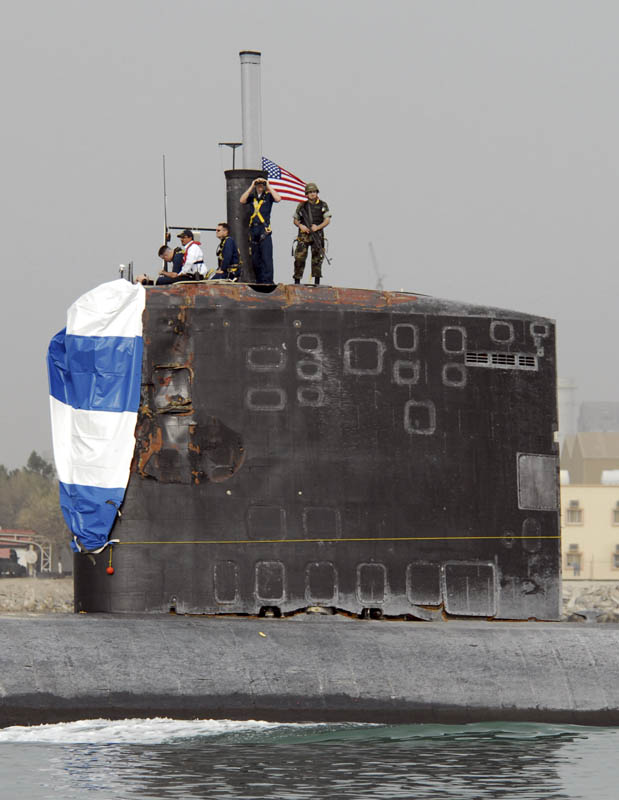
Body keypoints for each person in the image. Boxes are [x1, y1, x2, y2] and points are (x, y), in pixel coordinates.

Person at [239, 177, 281, 283]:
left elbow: (278, 199)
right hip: (254, 228)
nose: (260, 186)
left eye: (261, 185)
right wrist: (252, 185)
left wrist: (268, 185)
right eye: (259, 185)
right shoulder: (252, 197)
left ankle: (268, 280)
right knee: (255, 258)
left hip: (264, 229)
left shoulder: (268, 196)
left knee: (266, 257)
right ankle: (259, 279)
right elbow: (242, 200)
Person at [293, 182, 331, 286]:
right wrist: (301, 226)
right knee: (299, 259)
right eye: (310, 192)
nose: (312, 194)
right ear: (306, 194)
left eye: (314, 192)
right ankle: (297, 282)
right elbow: (295, 220)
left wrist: (317, 227)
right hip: (304, 236)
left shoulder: (323, 205)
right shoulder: (302, 205)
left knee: (317, 259)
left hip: (317, 235)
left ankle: (317, 283)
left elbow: (327, 220)